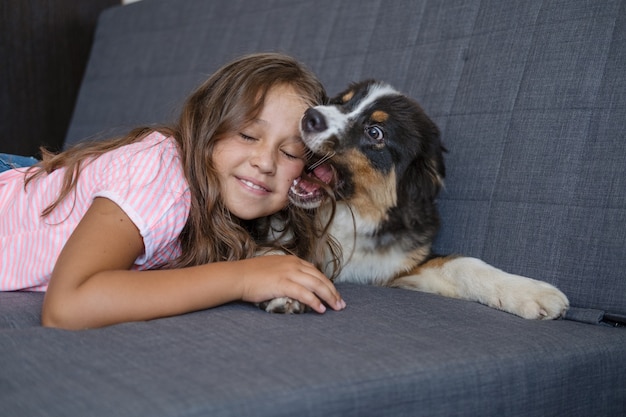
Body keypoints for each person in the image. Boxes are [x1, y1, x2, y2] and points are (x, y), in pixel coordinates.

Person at [0, 52, 345, 330]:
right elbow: (67, 307)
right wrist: (242, 279)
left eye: (290, 153)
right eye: (247, 135)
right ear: (206, 128)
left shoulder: (231, 207)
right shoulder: (162, 175)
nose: (266, 162)